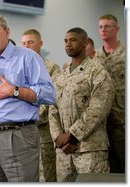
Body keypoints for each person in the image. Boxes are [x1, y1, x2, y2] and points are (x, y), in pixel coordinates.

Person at [0, 13, 56, 182]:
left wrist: (14, 90)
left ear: (7, 32)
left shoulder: (28, 57)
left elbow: (49, 94)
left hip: (18, 136)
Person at [49, 27, 114, 182]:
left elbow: (98, 110)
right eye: (66, 40)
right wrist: (59, 138)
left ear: (85, 43)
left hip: (89, 149)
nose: (68, 44)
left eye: (73, 40)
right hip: (64, 151)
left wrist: (71, 135)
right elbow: (52, 109)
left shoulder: (98, 72)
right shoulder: (61, 77)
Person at [21, 29, 60, 182]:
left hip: (43, 134)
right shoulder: (20, 67)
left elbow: (51, 99)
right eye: (23, 43)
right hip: (23, 133)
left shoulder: (51, 68)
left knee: (45, 176)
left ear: (40, 44)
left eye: (30, 42)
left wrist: (27, 115)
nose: (26, 46)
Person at [95, 14, 125, 173]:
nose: (103, 30)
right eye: (100, 27)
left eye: (107, 26)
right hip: (101, 120)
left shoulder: (125, 54)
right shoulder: (94, 56)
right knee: (107, 167)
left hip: (122, 119)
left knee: (124, 164)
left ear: (117, 29)